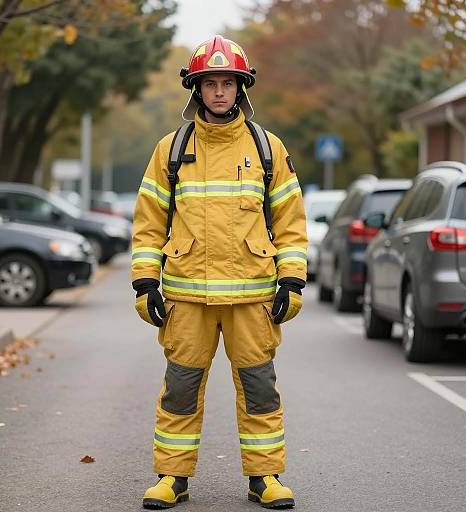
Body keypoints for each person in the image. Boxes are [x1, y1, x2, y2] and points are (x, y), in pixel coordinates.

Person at [131, 35, 308, 510]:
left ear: (241, 87)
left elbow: (290, 223)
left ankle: (266, 477)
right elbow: (149, 223)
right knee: (181, 390)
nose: (219, 92)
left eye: (227, 82)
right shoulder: (170, 150)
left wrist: (291, 280)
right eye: (210, 83)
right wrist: (146, 282)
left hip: (252, 299)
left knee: (259, 390)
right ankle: (172, 477)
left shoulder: (268, 149)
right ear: (196, 89)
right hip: (187, 299)